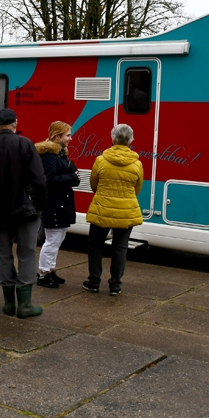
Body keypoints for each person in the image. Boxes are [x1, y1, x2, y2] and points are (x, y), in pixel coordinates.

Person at [0, 108, 46, 318]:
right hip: (24, 210)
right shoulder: (24, 144)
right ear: (15, 123)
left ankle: (8, 304)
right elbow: (39, 180)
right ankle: (25, 305)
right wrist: (40, 205)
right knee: (27, 253)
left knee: (3, 254)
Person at [84, 124, 143, 297]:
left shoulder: (100, 160)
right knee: (120, 248)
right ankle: (115, 285)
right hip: (126, 210)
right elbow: (137, 188)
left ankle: (94, 282)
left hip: (102, 208)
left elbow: (93, 185)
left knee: (95, 246)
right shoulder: (137, 164)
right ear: (131, 140)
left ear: (112, 139)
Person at [35, 121, 79, 288]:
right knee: (52, 240)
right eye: (67, 135)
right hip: (54, 204)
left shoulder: (58, 155)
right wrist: (72, 178)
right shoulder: (49, 156)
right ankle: (43, 273)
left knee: (58, 239)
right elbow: (49, 180)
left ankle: (50, 270)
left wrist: (70, 177)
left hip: (61, 203)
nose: (70, 138)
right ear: (57, 136)